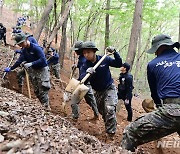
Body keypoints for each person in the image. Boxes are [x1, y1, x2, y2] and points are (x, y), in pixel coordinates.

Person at [120, 34, 180, 152]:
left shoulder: (153, 64)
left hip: (173, 110)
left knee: (130, 132)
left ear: (158, 49)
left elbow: (155, 94)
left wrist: (159, 107)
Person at [79, 41, 122, 138]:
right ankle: (108, 125)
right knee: (103, 112)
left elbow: (119, 64)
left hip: (109, 88)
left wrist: (115, 53)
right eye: (84, 53)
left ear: (94, 52)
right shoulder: (85, 64)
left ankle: (110, 134)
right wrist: (87, 73)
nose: (86, 55)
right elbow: (82, 80)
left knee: (109, 108)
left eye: (88, 52)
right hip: (97, 91)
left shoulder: (104, 59)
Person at [4, 33, 51, 109]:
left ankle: (46, 107)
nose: (20, 46)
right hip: (33, 71)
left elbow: (43, 60)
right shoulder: (24, 50)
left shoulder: (36, 48)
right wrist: (11, 68)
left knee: (43, 89)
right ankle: (43, 105)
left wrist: (32, 63)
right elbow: (19, 61)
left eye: (21, 43)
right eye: (19, 44)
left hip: (42, 70)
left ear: (26, 40)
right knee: (36, 91)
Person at [70, 41, 99, 121]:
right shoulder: (81, 58)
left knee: (74, 100)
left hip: (85, 83)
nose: (75, 52)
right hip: (82, 82)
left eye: (76, 50)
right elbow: (81, 66)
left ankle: (75, 117)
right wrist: (76, 66)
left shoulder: (85, 59)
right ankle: (96, 114)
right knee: (91, 101)